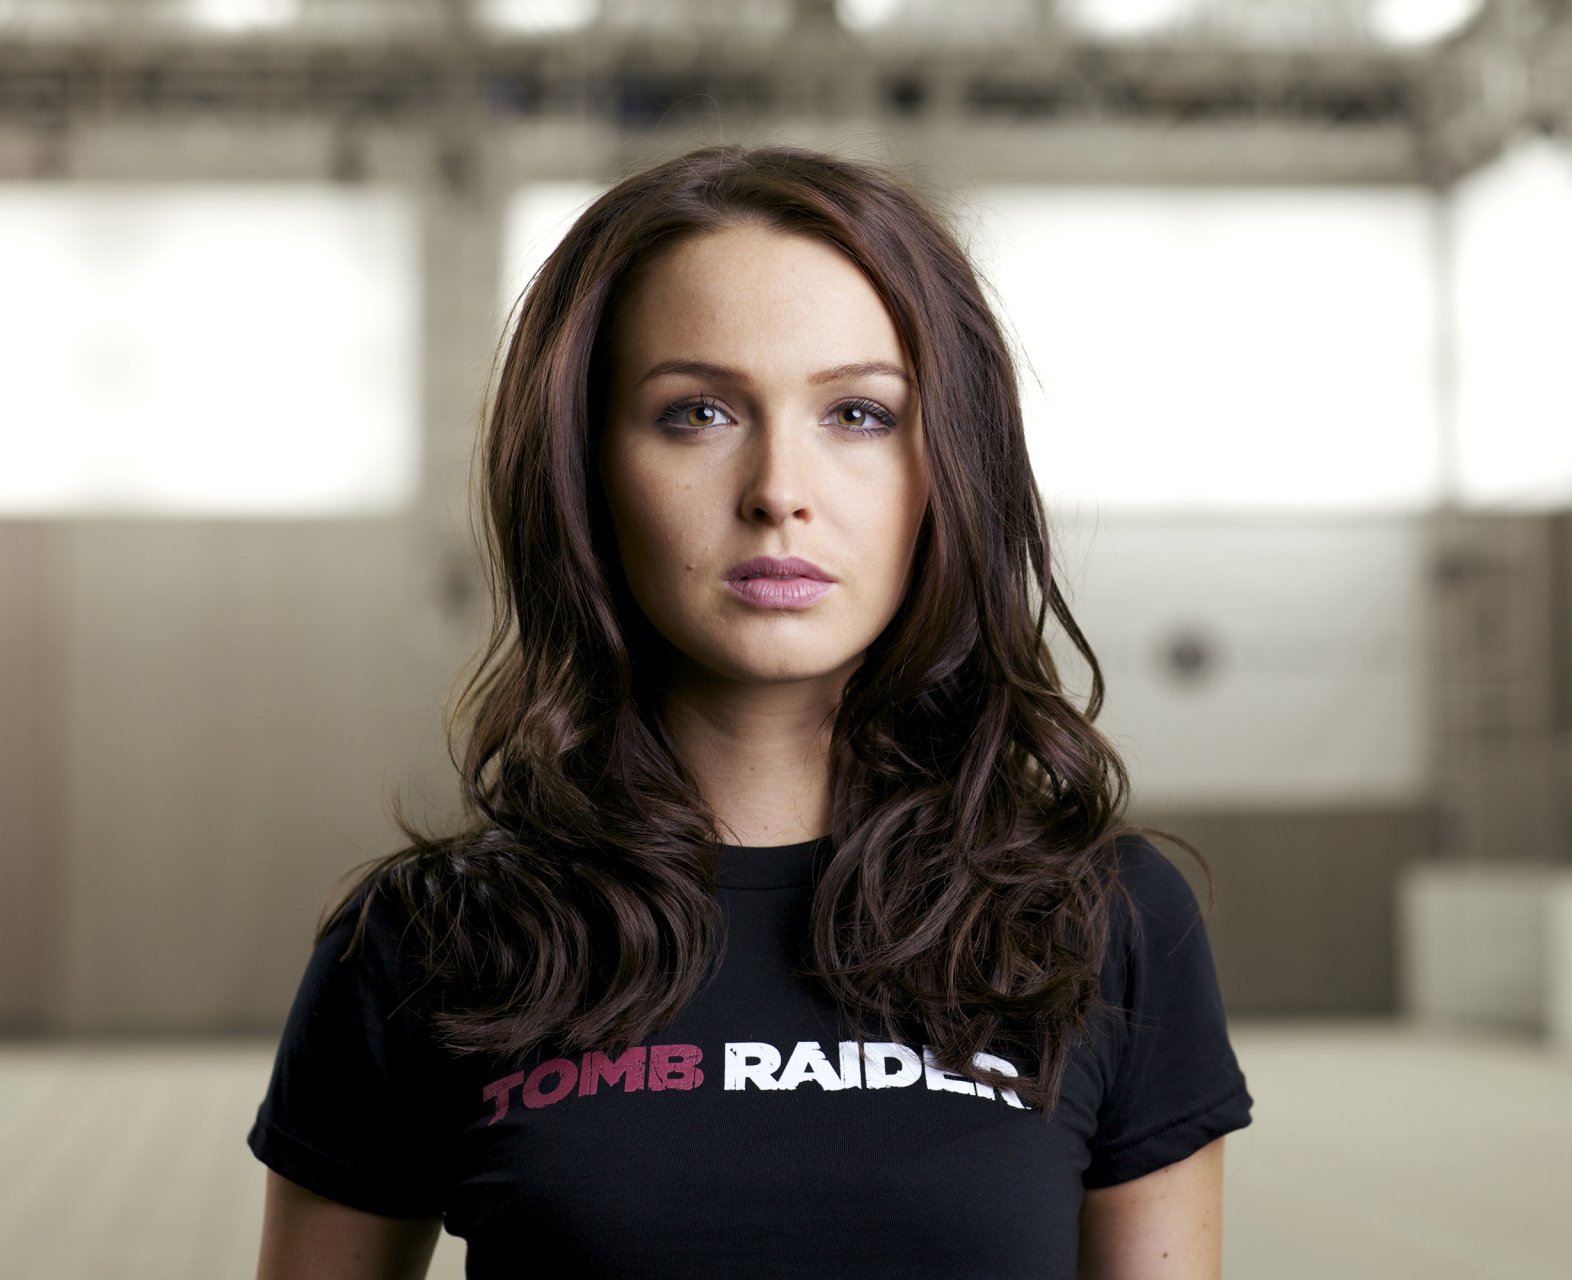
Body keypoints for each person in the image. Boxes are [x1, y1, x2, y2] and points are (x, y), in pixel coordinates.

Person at [249, 142, 1253, 1279]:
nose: (780, 487)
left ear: (951, 469)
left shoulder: (1099, 921)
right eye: (699, 412)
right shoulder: (428, 942)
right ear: (585, 466)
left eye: (860, 414)